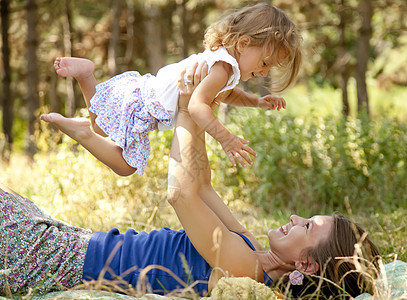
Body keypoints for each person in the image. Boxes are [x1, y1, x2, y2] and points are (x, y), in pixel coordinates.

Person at [2, 64, 379, 299]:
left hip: (65, 262)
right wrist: (202, 106)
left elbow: (181, 195)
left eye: (308, 226)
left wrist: (185, 109)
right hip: (79, 242)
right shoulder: (247, 247)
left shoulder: (245, 270)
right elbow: (203, 186)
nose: (296, 217)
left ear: (307, 265)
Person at [41, 3, 302, 176]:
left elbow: (225, 95)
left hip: (143, 93)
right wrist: (226, 138)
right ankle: (85, 83)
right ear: (244, 43)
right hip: (144, 102)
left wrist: (257, 102)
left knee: (101, 127)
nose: (265, 71)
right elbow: (198, 106)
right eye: (265, 63)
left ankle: (86, 78)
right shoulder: (222, 66)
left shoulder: (225, 67)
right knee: (125, 166)